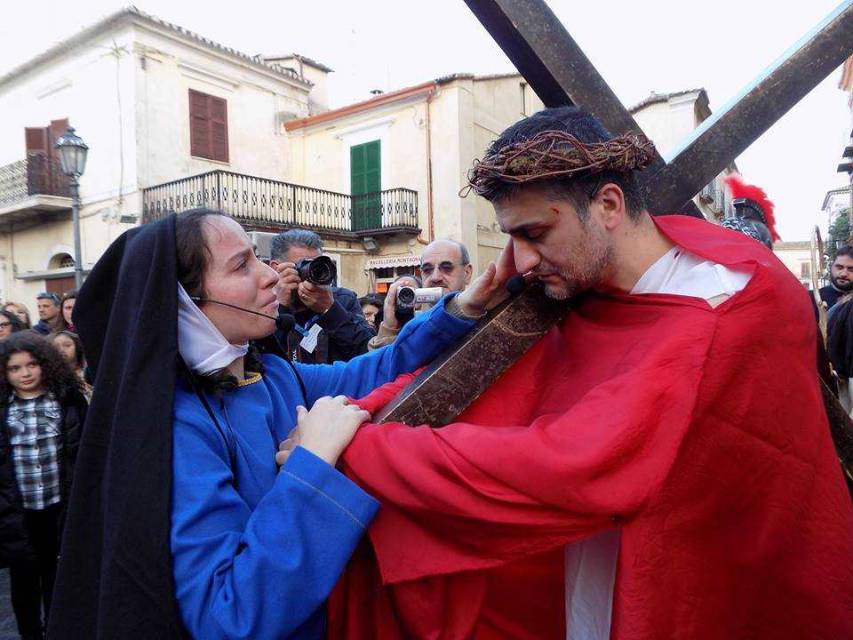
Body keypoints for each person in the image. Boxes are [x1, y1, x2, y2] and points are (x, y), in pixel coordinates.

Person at [303, 107, 853, 638]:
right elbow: (473, 380)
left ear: (608, 205)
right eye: (511, 238)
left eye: (536, 233)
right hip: (580, 583)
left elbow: (577, 463)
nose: (519, 260)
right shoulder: (580, 287)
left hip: (699, 587)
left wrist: (357, 451)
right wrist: (358, 414)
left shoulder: (724, 306)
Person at [47, 208, 506, 639]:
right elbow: (228, 616)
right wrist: (312, 463)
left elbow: (375, 369)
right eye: (241, 265)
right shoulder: (176, 427)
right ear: (185, 302)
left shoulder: (270, 373)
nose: (271, 276)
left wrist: (461, 309)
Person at [0, 332, 87, 640]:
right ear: (4, 372)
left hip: (57, 507)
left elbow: (82, 452)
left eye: (32, 364)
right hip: (17, 513)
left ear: (45, 365)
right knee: (23, 582)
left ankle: (56, 629)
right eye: (15, 368)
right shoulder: (4, 409)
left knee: (57, 577)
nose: (25, 374)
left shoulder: (66, 401)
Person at [260, 229, 375, 364]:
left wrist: (330, 310)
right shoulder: (261, 303)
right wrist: (280, 308)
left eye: (316, 264)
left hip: (333, 382)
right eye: (303, 265)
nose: (311, 272)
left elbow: (367, 353)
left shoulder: (343, 300)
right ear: (276, 268)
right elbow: (262, 357)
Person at [367, 275, 422, 351]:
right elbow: (379, 359)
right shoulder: (384, 320)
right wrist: (388, 329)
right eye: (400, 292)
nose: (406, 296)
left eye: (411, 291)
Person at [50, 331, 91, 401]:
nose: (61, 350)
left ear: (77, 347)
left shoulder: (88, 370)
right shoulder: (53, 376)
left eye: (67, 345)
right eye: (56, 347)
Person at [820, 246, 853, 310]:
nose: (844, 274)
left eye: (851, 269)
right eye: (839, 267)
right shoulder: (814, 298)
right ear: (831, 267)